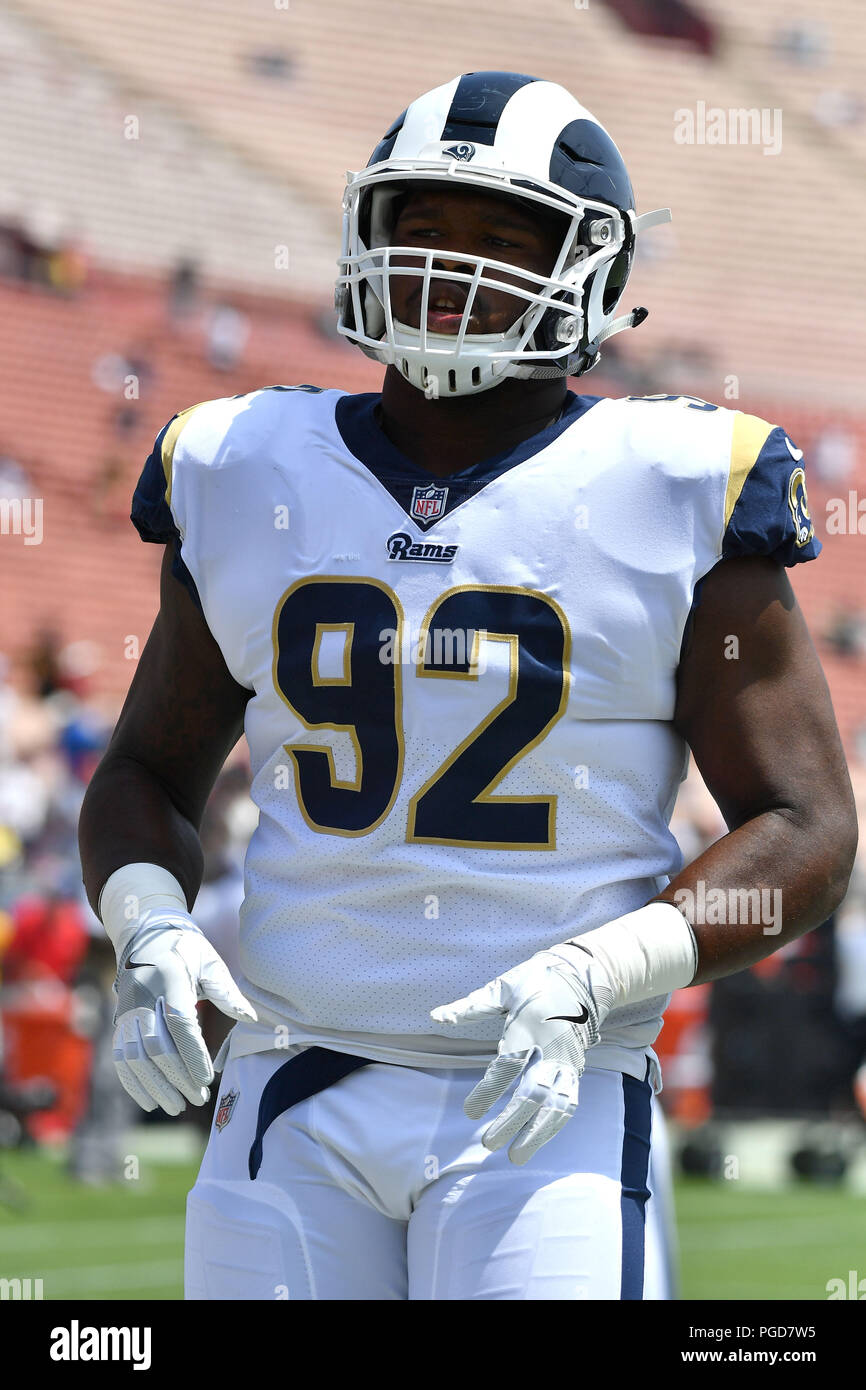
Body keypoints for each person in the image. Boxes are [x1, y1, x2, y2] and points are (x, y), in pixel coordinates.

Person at [78, 71, 857, 1300]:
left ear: (592, 271)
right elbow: (141, 774)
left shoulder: (675, 481)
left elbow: (806, 825)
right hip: (287, 1083)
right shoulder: (239, 463)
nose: (454, 264)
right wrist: (148, 923)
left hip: (547, 1087)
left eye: (507, 236)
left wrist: (601, 971)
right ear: (365, 236)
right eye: (425, 224)